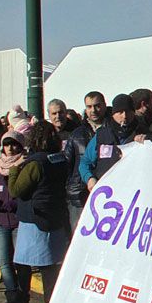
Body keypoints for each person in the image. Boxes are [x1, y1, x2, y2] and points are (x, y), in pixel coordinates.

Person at [8, 121, 71, 303]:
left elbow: (17, 190)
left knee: (34, 264)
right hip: (55, 215)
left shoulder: (35, 163)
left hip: (35, 217)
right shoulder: (59, 159)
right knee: (50, 264)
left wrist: (14, 169)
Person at [0, 130, 24, 303]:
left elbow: (22, 193)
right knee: (4, 261)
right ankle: (11, 294)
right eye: (7, 144)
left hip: (18, 222)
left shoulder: (24, 164)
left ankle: (21, 294)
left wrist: (10, 204)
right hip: (1, 222)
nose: (10, 148)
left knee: (20, 261)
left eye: (14, 144)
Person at [80, 93, 143, 188]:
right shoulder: (102, 135)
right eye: (120, 112)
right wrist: (89, 178)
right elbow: (85, 162)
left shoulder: (143, 133)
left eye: (128, 111)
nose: (124, 116)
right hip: (108, 192)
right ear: (113, 114)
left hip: (133, 189)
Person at [65, 92, 106, 230]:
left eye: (97, 106)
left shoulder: (113, 129)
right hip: (80, 194)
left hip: (107, 193)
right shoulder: (77, 134)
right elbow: (68, 164)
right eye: (89, 106)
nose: (93, 110)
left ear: (104, 105)